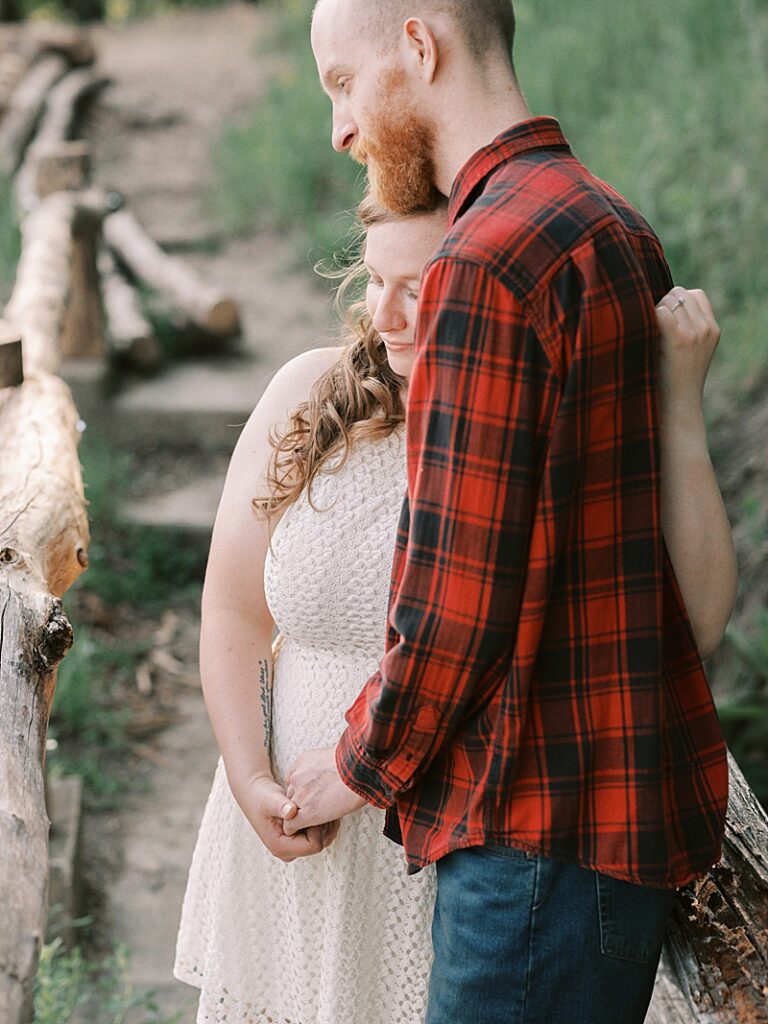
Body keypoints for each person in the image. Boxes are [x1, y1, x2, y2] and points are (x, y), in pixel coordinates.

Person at [173, 190, 736, 1023]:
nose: (390, 317)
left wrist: (677, 403)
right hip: (301, 840)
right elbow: (232, 611)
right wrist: (252, 775)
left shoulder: (549, 413)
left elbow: (693, 621)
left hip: (455, 849)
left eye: (423, 285)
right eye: (376, 281)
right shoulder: (307, 391)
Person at [282, 2, 737, 1022]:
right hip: (608, 835)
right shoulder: (609, 225)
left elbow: (456, 595)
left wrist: (359, 761)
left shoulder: (485, 259)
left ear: (418, 42)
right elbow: (664, 587)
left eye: (342, 85)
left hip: (533, 836)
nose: (341, 130)